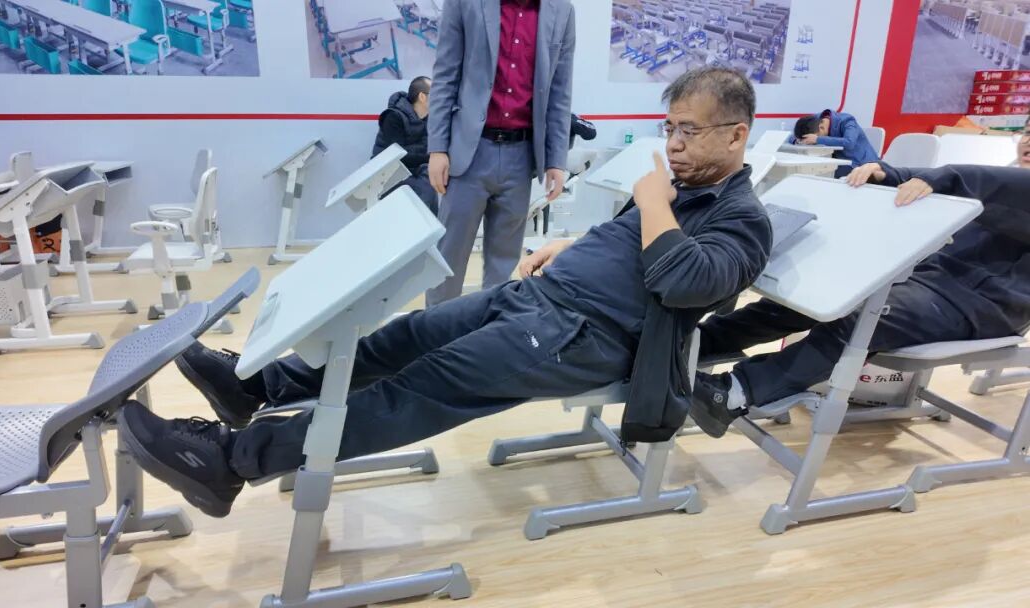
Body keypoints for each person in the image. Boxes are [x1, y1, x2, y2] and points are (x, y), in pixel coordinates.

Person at [118, 68, 774, 519]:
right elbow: (635, 248)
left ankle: (231, 462)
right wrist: (573, 245)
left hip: (585, 338)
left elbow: (688, 282)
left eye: (689, 131)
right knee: (403, 335)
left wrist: (652, 202)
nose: (674, 143)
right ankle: (257, 387)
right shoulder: (677, 190)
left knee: (417, 389)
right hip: (541, 299)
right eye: (670, 127)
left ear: (736, 134)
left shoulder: (743, 219)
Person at [688, 116, 1030, 438]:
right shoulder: (1005, 184)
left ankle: (734, 394)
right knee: (809, 298)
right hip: (929, 280)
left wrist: (941, 177)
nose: (1028, 141)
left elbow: (978, 182)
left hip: (983, 306)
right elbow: (972, 184)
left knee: (860, 320)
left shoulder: (1007, 187)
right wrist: (889, 175)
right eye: (1027, 132)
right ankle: (694, 346)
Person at [424, 0, 577, 306]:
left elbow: (560, 92)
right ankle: (435, 331)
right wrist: (438, 147)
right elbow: (445, 77)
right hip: (469, 153)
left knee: (503, 266)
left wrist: (556, 160)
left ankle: (491, 330)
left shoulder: (562, 11)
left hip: (521, 156)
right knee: (448, 261)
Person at [373, 76, 439, 215]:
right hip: (388, 172)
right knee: (424, 187)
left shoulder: (429, 118)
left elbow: (428, 149)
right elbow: (396, 156)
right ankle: (423, 223)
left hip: (414, 169)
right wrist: (432, 157)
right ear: (422, 97)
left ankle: (429, 224)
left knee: (431, 177)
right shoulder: (393, 117)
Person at [793, 110, 880, 178]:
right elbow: (792, 136)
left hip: (861, 164)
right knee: (808, 171)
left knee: (820, 175)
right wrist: (798, 141)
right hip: (837, 162)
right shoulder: (814, 120)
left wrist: (818, 139)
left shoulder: (848, 121)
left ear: (821, 127)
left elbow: (849, 143)